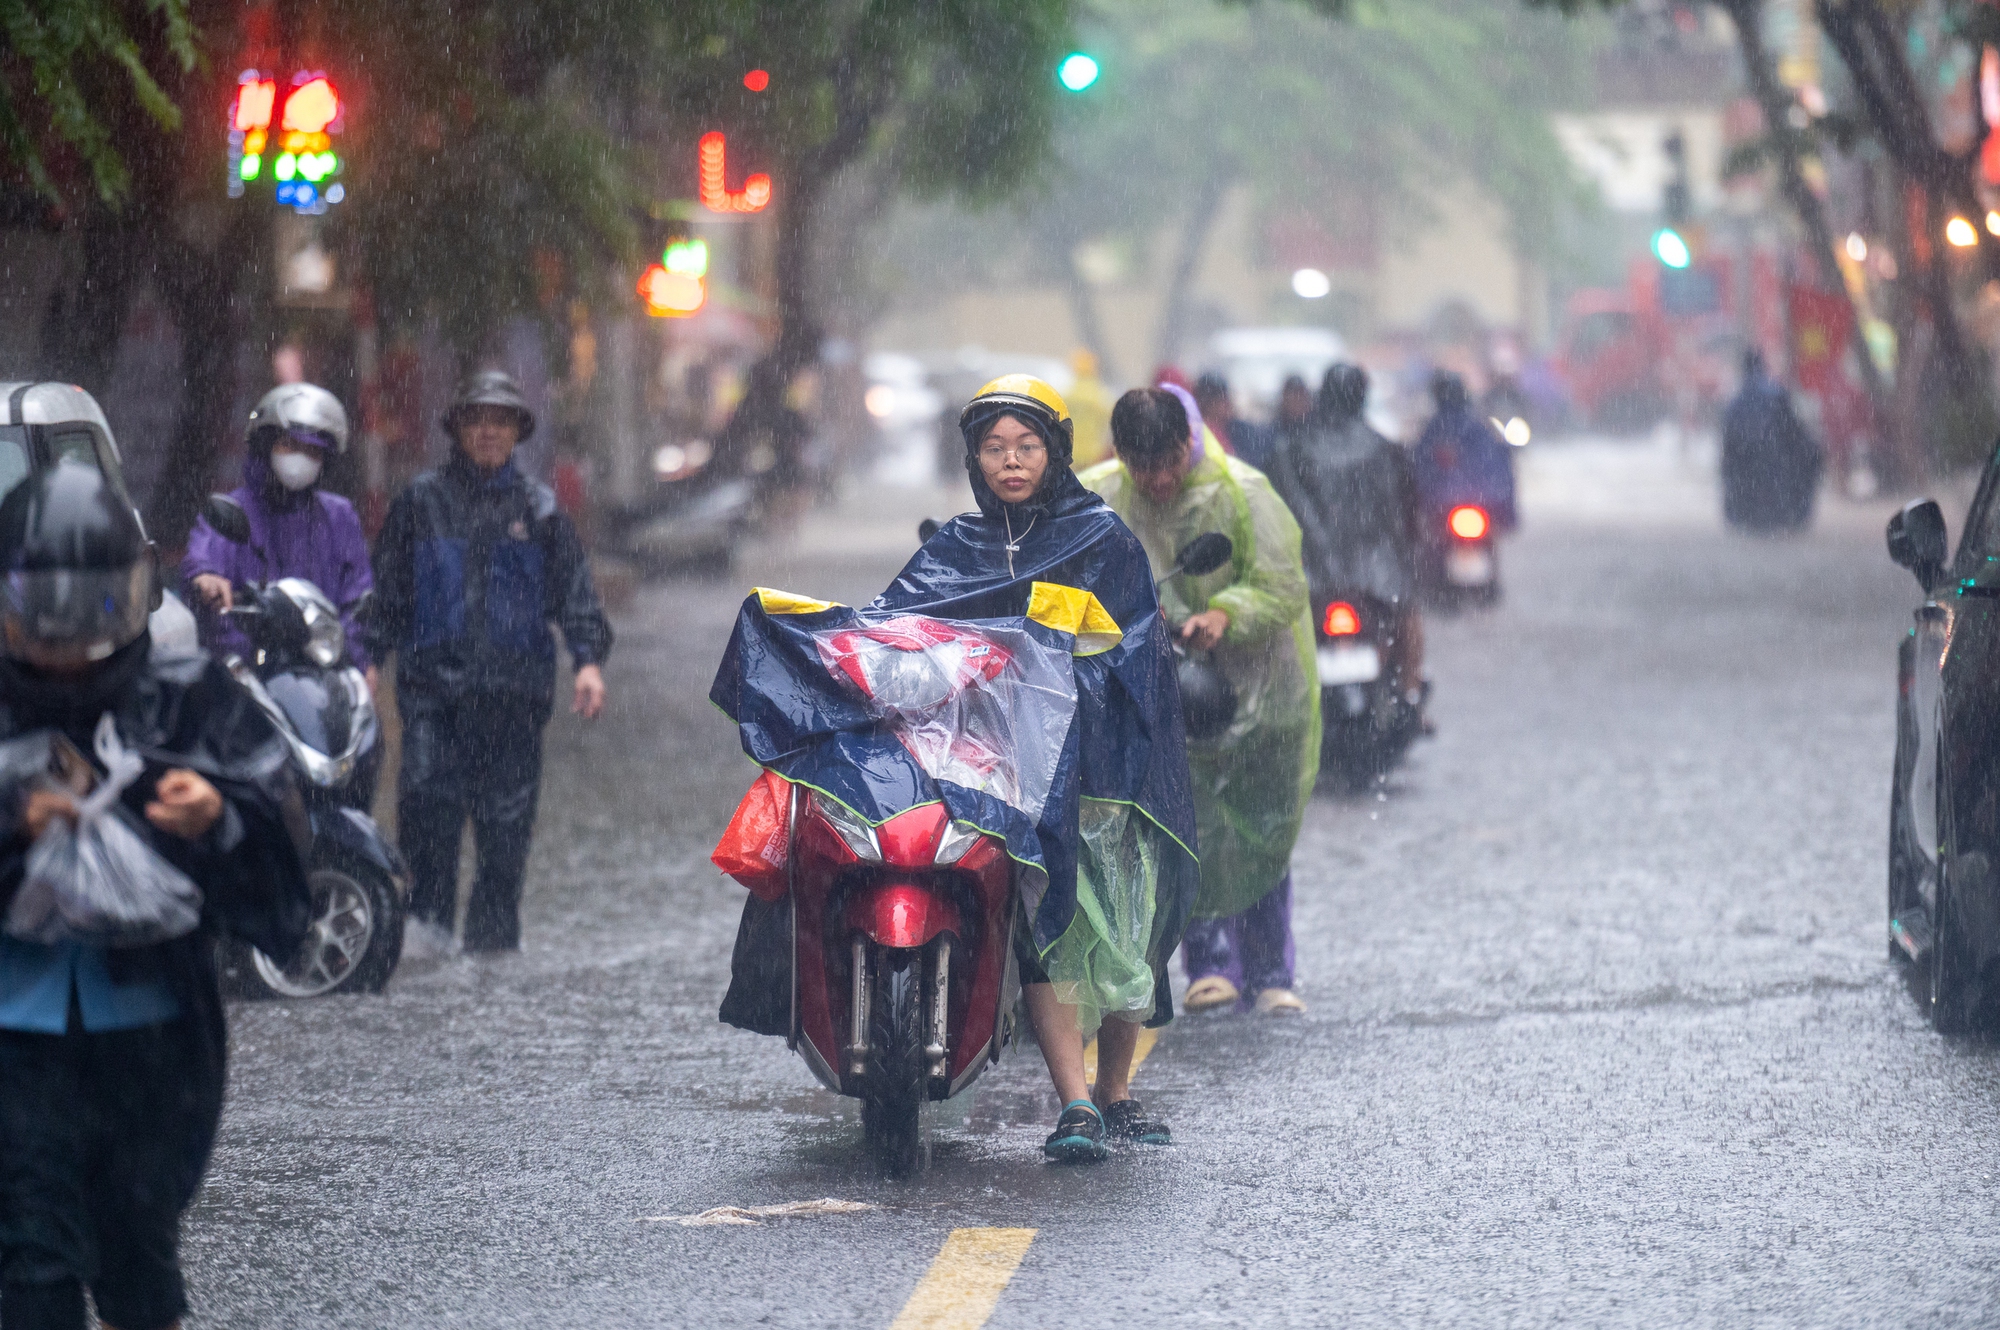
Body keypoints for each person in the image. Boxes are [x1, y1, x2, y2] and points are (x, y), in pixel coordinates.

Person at [715, 375, 1200, 1162]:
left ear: (1056, 453)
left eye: (1027, 446)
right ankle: (1075, 1105)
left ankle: (1115, 1091)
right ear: (975, 459)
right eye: (995, 448)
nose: (1011, 462)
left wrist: (1064, 682)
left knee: (1122, 934)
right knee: (1042, 928)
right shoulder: (954, 549)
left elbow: (1139, 653)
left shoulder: (1105, 540)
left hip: (1100, 776)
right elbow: (898, 630)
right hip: (1008, 776)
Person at [0, 464, 310, 1330]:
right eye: (40, 607)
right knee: (32, 1261)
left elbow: (281, 892)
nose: (64, 637)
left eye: (91, 605)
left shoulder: (184, 705)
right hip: (16, 1052)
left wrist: (213, 820)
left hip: (151, 1045)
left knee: (138, 1254)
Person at [1080, 388, 1319, 1015]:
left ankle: (1271, 971)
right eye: (1143, 467)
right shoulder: (1100, 495)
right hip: (1164, 694)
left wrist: (1224, 614)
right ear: (1122, 456)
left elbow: (1282, 584)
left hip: (1259, 691)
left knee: (1258, 827)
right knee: (1185, 829)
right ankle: (1208, 965)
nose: (1157, 481)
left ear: (1189, 439)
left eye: (1167, 463)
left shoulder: (1244, 492)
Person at [366, 371, 612, 956]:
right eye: (476, 420)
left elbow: (576, 596)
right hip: (433, 699)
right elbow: (388, 595)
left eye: (499, 421)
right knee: (426, 817)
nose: (487, 432)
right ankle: (426, 943)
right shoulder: (420, 503)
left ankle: (495, 957)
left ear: (516, 432)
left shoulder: (541, 510)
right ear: (457, 429)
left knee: (505, 837)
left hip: (513, 701)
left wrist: (588, 663)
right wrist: (367, 660)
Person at [183, 383, 375, 688]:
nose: (300, 458)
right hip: (243, 679)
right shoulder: (234, 509)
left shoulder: (339, 516)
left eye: (311, 450)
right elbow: (203, 557)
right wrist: (205, 577)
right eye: (289, 445)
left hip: (324, 676)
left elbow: (357, 600)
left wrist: (361, 665)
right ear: (266, 445)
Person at [1265, 363, 1426, 694]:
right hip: (1377, 574)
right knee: (1407, 618)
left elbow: (1281, 511)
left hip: (1315, 574)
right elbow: (1403, 512)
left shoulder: (1291, 448)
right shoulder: (1384, 448)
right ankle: (1410, 690)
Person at [1720, 350, 1822, 532]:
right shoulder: (1776, 394)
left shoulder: (1735, 402)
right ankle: (1797, 514)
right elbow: (1794, 431)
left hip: (1746, 476)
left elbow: (1729, 445)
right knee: (1811, 455)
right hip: (1775, 470)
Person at [1411, 370, 1517, 536]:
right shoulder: (1479, 426)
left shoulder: (1433, 429)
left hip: (1444, 508)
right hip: (1481, 502)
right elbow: (1501, 470)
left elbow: (1419, 469)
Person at [1193, 371, 1271, 468]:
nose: (1226, 403)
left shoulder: (1242, 431)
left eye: (1225, 398)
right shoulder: (1196, 433)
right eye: (1218, 400)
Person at [1066, 348, 1115, 469]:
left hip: (1070, 452)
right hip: (1094, 455)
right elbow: (1112, 426)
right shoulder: (1101, 396)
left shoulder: (1066, 394)